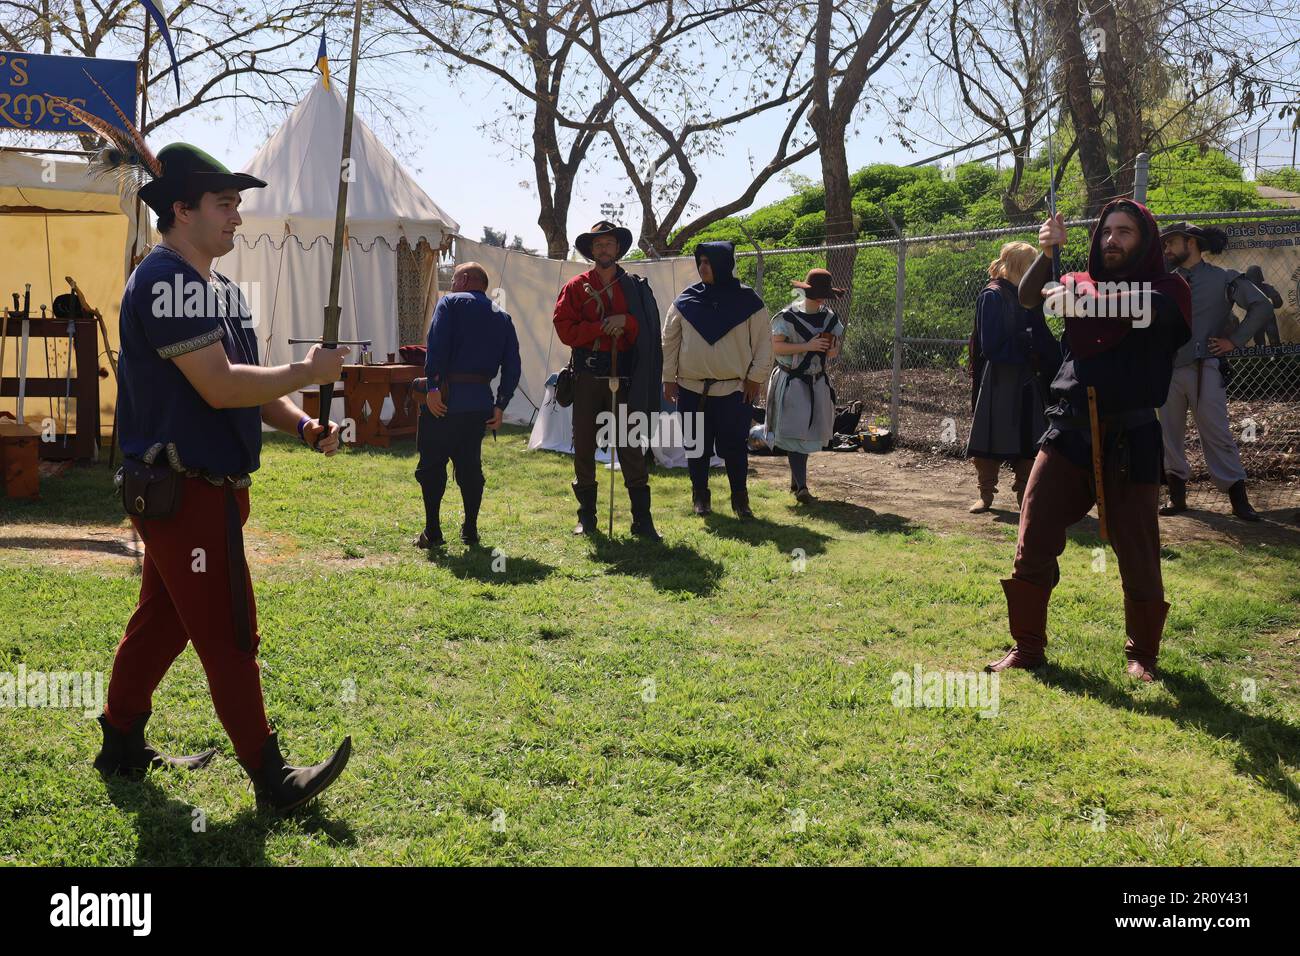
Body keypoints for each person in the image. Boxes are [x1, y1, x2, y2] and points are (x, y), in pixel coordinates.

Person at [99, 142, 352, 812]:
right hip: (185, 493)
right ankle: (274, 779)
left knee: (164, 621)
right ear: (181, 210)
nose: (237, 216)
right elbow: (218, 386)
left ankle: (120, 741)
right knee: (230, 632)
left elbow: (252, 388)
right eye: (224, 203)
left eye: (238, 203)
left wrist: (302, 422)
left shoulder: (220, 291)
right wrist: (310, 372)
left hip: (202, 494)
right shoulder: (165, 283)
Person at [989, 199, 1191, 683]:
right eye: (1105, 232)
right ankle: (1028, 646)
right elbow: (1032, 297)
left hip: (1132, 435)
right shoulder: (1077, 279)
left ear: (1144, 240)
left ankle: (1142, 653)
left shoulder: (1170, 288)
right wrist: (1047, 252)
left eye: (1124, 232)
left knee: (1138, 549)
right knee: (1033, 533)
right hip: (1068, 430)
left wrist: (1077, 300)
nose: (1111, 240)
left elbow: (1151, 311)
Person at [552, 221, 664, 540]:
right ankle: (587, 518)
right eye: (598, 244)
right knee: (584, 445)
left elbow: (646, 329)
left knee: (630, 445)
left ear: (618, 249)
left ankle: (642, 520)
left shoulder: (635, 287)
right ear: (591, 250)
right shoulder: (575, 287)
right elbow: (564, 329)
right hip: (587, 377)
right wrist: (602, 327)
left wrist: (626, 321)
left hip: (624, 377)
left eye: (609, 244)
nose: (603, 249)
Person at [1157, 222, 1274, 521]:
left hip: (1204, 367)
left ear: (1191, 243)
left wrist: (1233, 341)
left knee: (1217, 433)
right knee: (1169, 435)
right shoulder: (1163, 281)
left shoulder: (1224, 279)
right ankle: (1177, 497)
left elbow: (1261, 305)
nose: (1166, 249)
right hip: (1165, 370)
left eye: (1171, 242)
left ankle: (1239, 500)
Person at [414, 261, 521, 548]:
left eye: (455, 278)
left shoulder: (449, 303)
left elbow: (436, 345)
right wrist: (500, 405)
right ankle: (470, 529)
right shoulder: (503, 316)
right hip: (479, 404)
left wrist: (433, 386)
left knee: (432, 465)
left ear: (463, 279)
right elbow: (512, 367)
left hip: (446, 401)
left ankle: (433, 532)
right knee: (470, 467)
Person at [662, 241, 771, 518]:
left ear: (723, 264)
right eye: (700, 262)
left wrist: (755, 377)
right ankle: (700, 497)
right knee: (696, 446)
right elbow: (670, 343)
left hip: (734, 389)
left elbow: (763, 344)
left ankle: (740, 500)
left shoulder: (749, 302)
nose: (702, 268)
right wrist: (668, 378)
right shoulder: (685, 302)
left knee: (734, 447)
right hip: (691, 388)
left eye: (708, 262)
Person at [966, 242, 1061, 513]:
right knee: (989, 436)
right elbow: (992, 345)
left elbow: (1043, 337)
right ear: (1021, 266)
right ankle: (986, 495)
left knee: (1030, 437)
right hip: (999, 379)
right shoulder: (993, 295)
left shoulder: (1028, 297)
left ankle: (1025, 498)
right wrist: (1025, 345)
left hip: (1028, 379)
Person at [765, 268, 843, 504]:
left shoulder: (829, 317)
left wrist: (830, 349)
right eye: (819, 293)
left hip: (816, 380)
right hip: (792, 380)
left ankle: (796, 480)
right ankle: (802, 487)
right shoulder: (786, 318)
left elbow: (834, 350)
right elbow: (776, 348)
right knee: (795, 432)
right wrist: (807, 347)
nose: (822, 298)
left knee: (806, 435)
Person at [1243, 265, 1283, 348]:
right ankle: (1263, 356)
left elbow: (1279, 302)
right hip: (1255, 318)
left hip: (1268, 317)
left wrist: (1270, 301)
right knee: (1259, 341)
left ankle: (1276, 355)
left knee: (1274, 340)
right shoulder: (1247, 290)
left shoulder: (1267, 288)